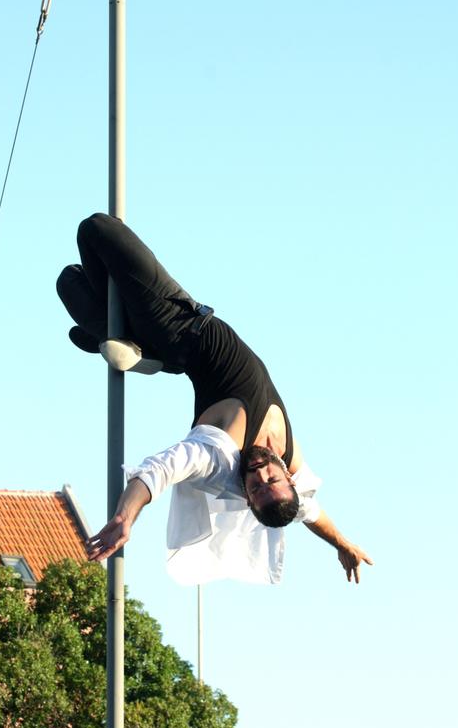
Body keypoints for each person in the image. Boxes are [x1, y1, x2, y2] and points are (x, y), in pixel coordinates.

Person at [57, 213, 373, 584]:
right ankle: (127, 347)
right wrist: (342, 543)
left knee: (79, 261)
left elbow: (160, 470)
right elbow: (311, 511)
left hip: (173, 324)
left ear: (247, 498)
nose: (260, 474)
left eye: (255, 487)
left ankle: (123, 341)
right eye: (272, 479)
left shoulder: (219, 455)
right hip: (179, 334)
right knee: (94, 241)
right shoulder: (291, 462)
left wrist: (125, 518)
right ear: (290, 479)